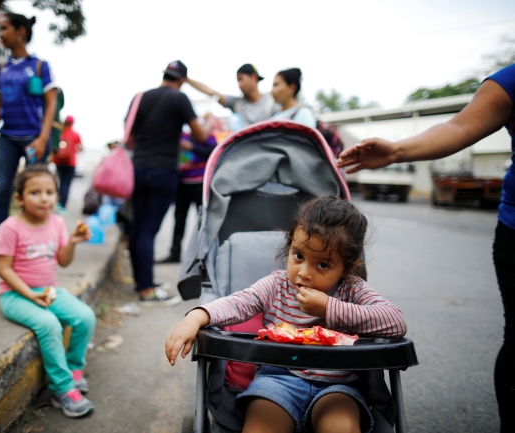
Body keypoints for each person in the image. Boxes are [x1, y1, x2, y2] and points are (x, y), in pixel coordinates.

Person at [337, 63, 515, 432]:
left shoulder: (352, 292)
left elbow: (392, 321)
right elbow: (460, 126)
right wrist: (398, 151)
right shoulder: (511, 78)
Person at [165, 195, 406, 433]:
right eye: (298, 256)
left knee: (341, 427)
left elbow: (395, 321)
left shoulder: (352, 289)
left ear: (347, 268)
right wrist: (197, 316)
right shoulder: (276, 285)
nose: (304, 272)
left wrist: (329, 308)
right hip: (277, 381)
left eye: (322, 264)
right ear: (290, 246)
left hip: (338, 387)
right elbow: (238, 303)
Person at [0, 165, 96, 418]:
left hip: (49, 291)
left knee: (85, 317)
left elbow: (63, 261)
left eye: (50, 192)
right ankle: (61, 389)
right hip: (15, 295)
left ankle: (73, 369)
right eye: (35, 192)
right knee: (50, 325)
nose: (44, 198)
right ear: (19, 198)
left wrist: (71, 242)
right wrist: (30, 294)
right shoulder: (10, 227)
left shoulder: (57, 223)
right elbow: (4, 269)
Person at [127, 60, 213, 305]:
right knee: (149, 230)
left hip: (138, 168)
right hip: (163, 170)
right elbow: (201, 135)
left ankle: (142, 281)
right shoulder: (179, 98)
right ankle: (146, 290)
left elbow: (129, 131)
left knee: (138, 227)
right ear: (182, 80)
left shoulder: (140, 97)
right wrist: (207, 121)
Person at [0, 12, 58, 234]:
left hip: (33, 139)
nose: (1, 34)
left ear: (20, 31)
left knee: (35, 189)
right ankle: (1, 239)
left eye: (4, 28)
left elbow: (52, 103)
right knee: (3, 188)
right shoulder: (2, 67)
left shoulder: (41, 66)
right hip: (8, 138)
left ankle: (38, 236)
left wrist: (43, 138)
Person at [157, 120, 217, 264]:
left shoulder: (208, 137)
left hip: (200, 183)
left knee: (203, 220)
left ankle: (204, 255)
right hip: (182, 184)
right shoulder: (181, 136)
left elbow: (213, 153)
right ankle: (175, 253)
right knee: (179, 219)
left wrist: (192, 148)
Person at [187, 64, 279, 129]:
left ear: (254, 77)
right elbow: (211, 92)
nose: (239, 84)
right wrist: (187, 79)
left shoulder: (272, 103)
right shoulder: (237, 103)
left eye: (241, 79)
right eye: (237, 81)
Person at [52, 115, 82, 215]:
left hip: (59, 161)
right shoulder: (75, 134)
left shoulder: (61, 132)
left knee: (60, 183)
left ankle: (57, 202)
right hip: (70, 163)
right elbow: (81, 147)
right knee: (66, 184)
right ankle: (62, 205)